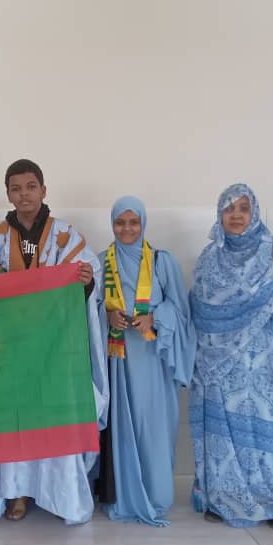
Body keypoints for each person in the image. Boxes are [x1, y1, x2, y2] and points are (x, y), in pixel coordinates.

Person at [0, 158, 108, 524]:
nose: (24, 194)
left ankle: (62, 493)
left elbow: (92, 280)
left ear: (43, 190)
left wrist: (86, 280)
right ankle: (19, 492)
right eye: (16, 189)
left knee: (56, 417)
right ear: (8, 194)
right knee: (17, 419)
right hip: (12, 346)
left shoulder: (66, 235)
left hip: (56, 346)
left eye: (30, 187)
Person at [188, 183, 273, 529]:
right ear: (219, 214)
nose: (237, 216)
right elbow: (199, 311)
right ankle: (221, 499)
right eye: (229, 209)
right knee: (223, 432)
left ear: (254, 212)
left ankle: (266, 499)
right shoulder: (209, 258)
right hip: (218, 366)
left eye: (243, 208)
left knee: (266, 435)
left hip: (267, 363)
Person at [97, 196, 195, 526]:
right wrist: (108, 314)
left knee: (154, 428)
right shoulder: (102, 262)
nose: (126, 229)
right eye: (120, 222)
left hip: (154, 362)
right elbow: (90, 309)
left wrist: (155, 318)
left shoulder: (162, 262)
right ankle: (125, 496)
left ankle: (155, 494)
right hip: (118, 363)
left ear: (143, 224)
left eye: (133, 222)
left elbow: (180, 311)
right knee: (123, 429)